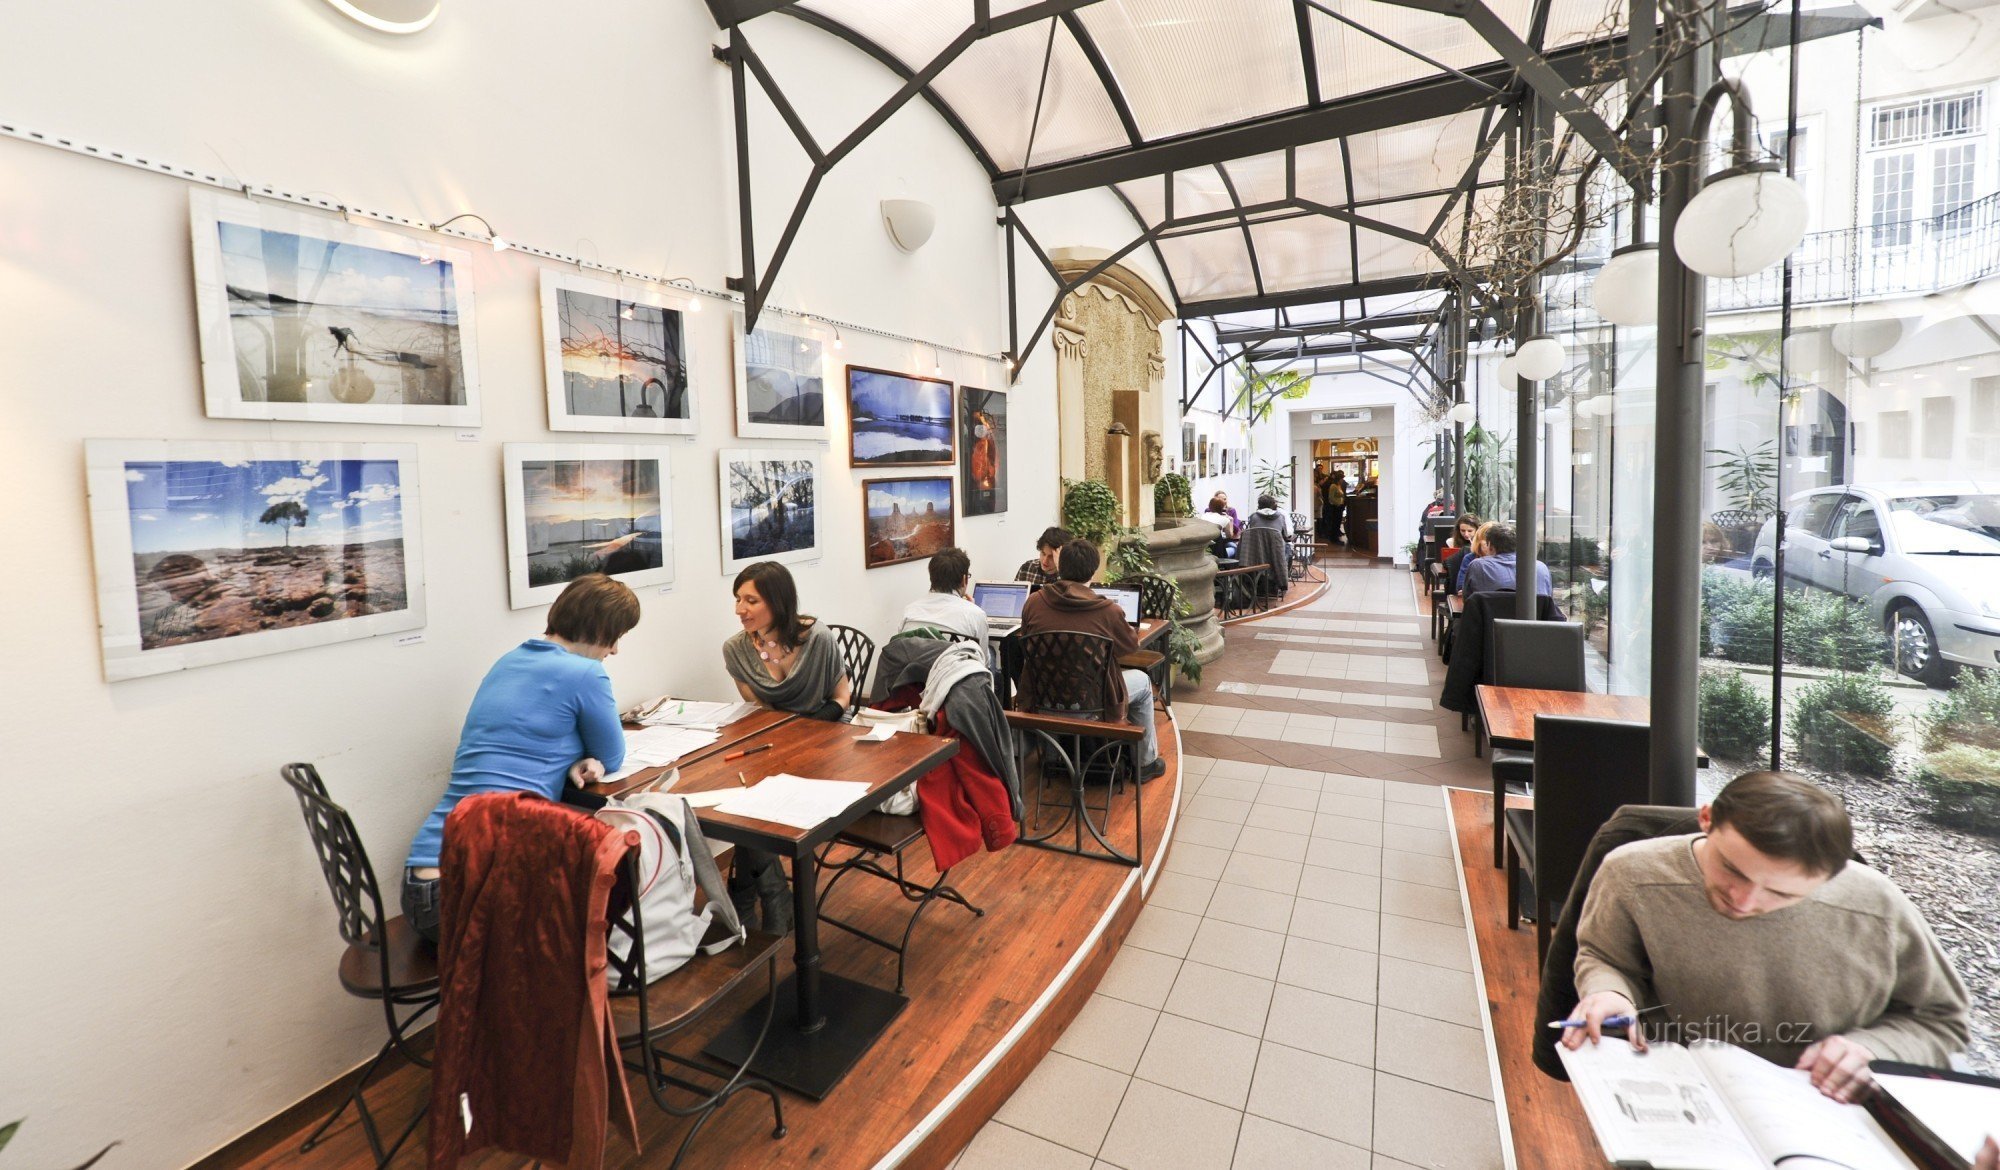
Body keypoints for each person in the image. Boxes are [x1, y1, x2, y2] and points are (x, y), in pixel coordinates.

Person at [1563, 771, 1970, 1104]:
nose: (1744, 900)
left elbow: (1942, 1023)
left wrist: (1870, 1049)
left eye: (1782, 893)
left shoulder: (1875, 905)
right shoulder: (1631, 872)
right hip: (1679, 1087)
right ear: (1707, 818)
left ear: (1830, 878)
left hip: (1826, 1107)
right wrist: (1610, 992)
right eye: (1733, 869)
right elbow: (1606, 956)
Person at [402, 573, 640, 944]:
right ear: (600, 629)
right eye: (617, 637)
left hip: (422, 888)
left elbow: (531, 736)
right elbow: (612, 753)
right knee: (616, 875)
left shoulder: (509, 661)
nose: (615, 651)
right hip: (468, 899)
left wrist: (571, 756)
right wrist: (586, 757)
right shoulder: (585, 673)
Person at [721, 561, 854, 932]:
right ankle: (773, 894)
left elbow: (843, 696)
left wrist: (809, 728)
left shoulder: (818, 637)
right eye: (737, 599)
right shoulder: (736, 650)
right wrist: (782, 739)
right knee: (747, 802)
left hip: (826, 743)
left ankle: (750, 894)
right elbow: (758, 711)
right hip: (774, 744)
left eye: (750, 600)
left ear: (777, 602)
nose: (739, 610)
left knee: (757, 804)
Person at [1015, 540, 1165, 782]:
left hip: (1044, 699)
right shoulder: (1108, 610)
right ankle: (1145, 763)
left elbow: (1028, 637)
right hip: (1094, 704)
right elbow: (1129, 647)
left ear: (1060, 566)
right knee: (1144, 683)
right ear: (1093, 571)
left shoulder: (1034, 602)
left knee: (1056, 681)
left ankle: (1053, 760)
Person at [900, 546, 988, 645]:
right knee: (991, 652)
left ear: (931, 577)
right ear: (964, 580)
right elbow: (982, 657)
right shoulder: (976, 614)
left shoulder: (910, 611)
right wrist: (972, 608)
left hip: (917, 660)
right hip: (954, 660)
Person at [1458, 521, 1552, 597]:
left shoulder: (1478, 566)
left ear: (1490, 546)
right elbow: (1548, 600)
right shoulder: (1541, 567)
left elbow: (1467, 599)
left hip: (1490, 619)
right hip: (1533, 620)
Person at [1324, 469, 1348, 544]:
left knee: (1337, 523)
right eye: (1341, 479)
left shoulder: (1338, 486)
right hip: (1335, 507)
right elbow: (1331, 497)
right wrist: (1337, 504)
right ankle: (1334, 538)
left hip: (1339, 506)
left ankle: (1336, 537)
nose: (1342, 480)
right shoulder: (1333, 486)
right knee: (1335, 523)